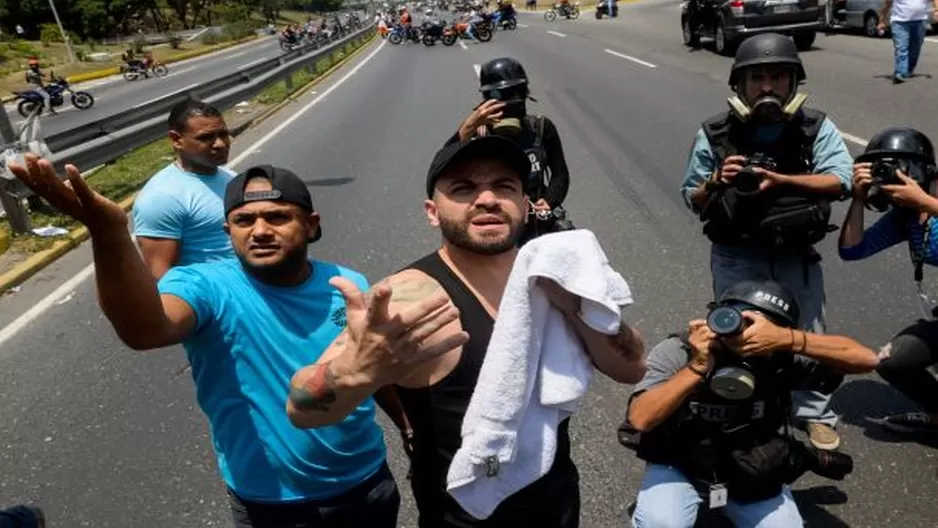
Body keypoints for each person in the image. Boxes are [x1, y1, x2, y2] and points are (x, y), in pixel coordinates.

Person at [7, 156, 463, 528]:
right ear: (228, 233)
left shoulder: (347, 281)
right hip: (270, 504)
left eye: (277, 216)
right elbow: (145, 331)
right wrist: (108, 233)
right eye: (243, 220)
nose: (259, 230)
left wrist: (406, 425)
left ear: (311, 225)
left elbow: (371, 366)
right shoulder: (202, 285)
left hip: (366, 483)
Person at [287, 135, 646, 527]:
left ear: (525, 207)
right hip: (463, 518)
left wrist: (579, 306)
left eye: (504, 186)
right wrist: (357, 371)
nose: (487, 199)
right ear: (431, 212)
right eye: (463, 188)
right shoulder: (411, 295)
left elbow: (632, 368)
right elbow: (301, 409)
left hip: (558, 505)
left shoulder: (551, 278)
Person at [679, 32, 854, 451]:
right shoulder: (716, 133)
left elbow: (842, 179)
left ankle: (812, 414)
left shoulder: (815, 127)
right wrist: (715, 181)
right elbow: (691, 196)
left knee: (807, 332)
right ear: (739, 86)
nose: (768, 87)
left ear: (794, 84)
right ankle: (747, 402)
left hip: (795, 252)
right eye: (757, 78)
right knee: (738, 333)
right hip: (736, 252)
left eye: (778, 76)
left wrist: (783, 180)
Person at [623, 280, 879, 527]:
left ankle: (788, 464)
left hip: (750, 462)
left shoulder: (783, 356)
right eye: (736, 321)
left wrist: (790, 339)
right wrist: (696, 368)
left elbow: (868, 360)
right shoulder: (682, 350)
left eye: (761, 327)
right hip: (680, 460)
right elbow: (640, 419)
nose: (745, 335)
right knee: (661, 522)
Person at [839, 127, 938, 436]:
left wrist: (928, 203)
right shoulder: (906, 216)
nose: (889, 178)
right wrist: (857, 199)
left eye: (896, 168)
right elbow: (852, 249)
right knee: (891, 360)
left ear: (920, 168)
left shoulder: (922, 205)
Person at [447, 58, 572, 243]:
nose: (506, 105)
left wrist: (549, 201)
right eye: (497, 97)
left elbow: (560, 174)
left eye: (513, 94)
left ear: (525, 94)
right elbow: (442, 170)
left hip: (537, 223)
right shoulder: (476, 135)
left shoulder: (541, 128)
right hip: (496, 225)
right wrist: (469, 127)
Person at [132, 99, 235, 280]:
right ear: (176, 139)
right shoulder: (161, 197)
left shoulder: (231, 178)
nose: (220, 144)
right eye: (206, 137)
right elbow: (163, 278)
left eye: (223, 134)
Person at [877, 0, 938, 83]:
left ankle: (908, 70)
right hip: (899, 21)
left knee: (916, 48)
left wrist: (936, 10)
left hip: (920, 21)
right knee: (901, 48)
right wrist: (881, 21)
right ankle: (900, 73)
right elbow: (887, 5)